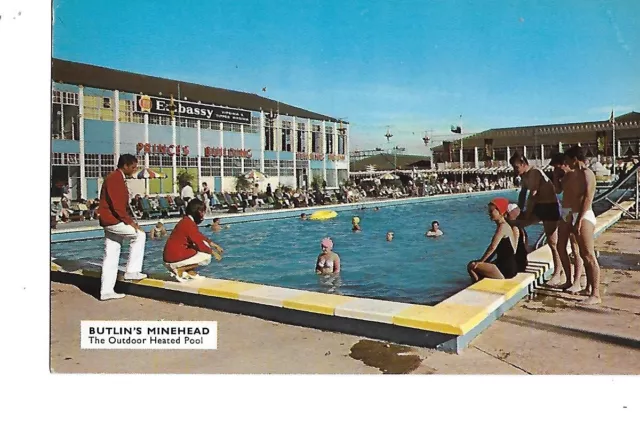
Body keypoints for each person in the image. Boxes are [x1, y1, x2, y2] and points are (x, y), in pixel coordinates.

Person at [97, 154, 147, 300]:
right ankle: (132, 271)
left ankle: (106, 291)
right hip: (113, 220)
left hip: (109, 220)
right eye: (133, 167)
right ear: (125, 166)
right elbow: (118, 206)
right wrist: (132, 223)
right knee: (139, 236)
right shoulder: (115, 179)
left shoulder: (115, 177)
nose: (134, 169)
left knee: (111, 255)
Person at [510, 152, 563, 286]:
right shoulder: (524, 176)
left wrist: (527, 214)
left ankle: (558, 272)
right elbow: (523, 194)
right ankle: (521, 257)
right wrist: (520, 211)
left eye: (516, 167)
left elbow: (532, 195)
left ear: (523, 164)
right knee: (516, 225)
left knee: (553, 242)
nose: (515, 170)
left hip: (550, 207)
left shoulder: (534, 173)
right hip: (539, 207)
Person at [563, 145, 601, 305]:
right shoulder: (575, 174)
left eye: (567, 160)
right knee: (584, 256)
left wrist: (578, 220)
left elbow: (588, 198)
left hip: (584, 216)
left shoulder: (587, 174)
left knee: (589, 256)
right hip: (576, 216)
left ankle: (596, 294)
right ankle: (589, 288)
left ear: (574, 159)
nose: (566, 163)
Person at [163, 199, 224, 282]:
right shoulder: (189, 224)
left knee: (196, 249)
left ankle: (190, 272)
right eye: (203, 212)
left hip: (168, 259)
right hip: (174, 259)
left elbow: (199, 236)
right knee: (206, 257)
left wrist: (215, 245)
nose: (203, 215)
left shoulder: (185, 221)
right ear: (199, 212)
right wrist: (213, 253)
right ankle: (180, 270)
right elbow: (200, 243)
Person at [550, 152, 585, 293]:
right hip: (566, 212)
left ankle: (577, 281)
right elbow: (558, 190)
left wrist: (581, 217)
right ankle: (568, 279)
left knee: (575, 248)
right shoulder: (563, 176)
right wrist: (555, 177)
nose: (557, 170)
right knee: (560, 246)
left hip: (575, 212)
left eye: (558, 167)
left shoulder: (578, 174)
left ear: (565, 163)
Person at [467, 198, 519, 282]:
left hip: (505, 271)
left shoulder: (502, 227)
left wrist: (480, 262)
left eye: (491, 211)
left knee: (471, 265)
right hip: (511, 268)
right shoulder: (506, 226)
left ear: (501, 212)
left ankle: (476, 284)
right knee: (479, 265)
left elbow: (492, 248)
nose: (489, 214)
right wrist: (483, 261)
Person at [506, 203, 529, 273]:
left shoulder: (514, 229)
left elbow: (514, 249)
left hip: (517, 266)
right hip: (522, 263)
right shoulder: (521, 229)